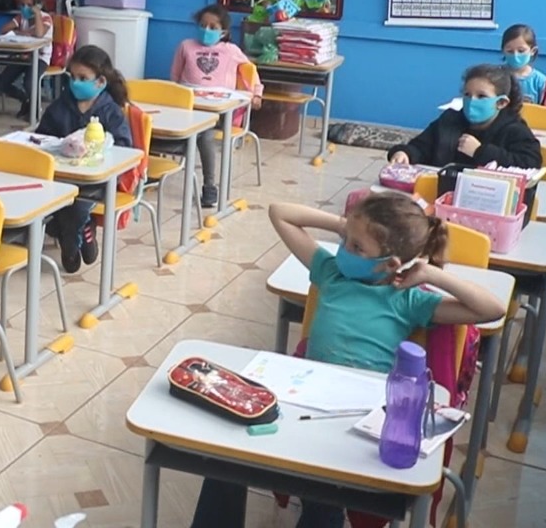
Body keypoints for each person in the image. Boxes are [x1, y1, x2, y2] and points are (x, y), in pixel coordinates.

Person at [189, 195, 505, 528]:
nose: (344, 250)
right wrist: (345, 225)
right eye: (345, 241)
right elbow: (279, 211)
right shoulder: (331, 273)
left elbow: (491, 310)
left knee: (325, 498)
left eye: (357, 247)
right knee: (223, 460)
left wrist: (432, 275)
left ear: (391, 263)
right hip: (302, 406)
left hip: (355, 422)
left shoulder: (407, 299)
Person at [35, 45, 132, 273]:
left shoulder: (111, 111)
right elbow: (41, 136)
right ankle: (77, 231)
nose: (75, 83)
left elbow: (125, 146)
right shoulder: (61, 106)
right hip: (60, 174)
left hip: (95, 181)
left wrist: (98, 148)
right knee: (50, 204)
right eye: (72, 77)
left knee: (74, 206)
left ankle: (70, 243)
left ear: (100, 82)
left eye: (83, 78)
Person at [169, 4, 263, 207]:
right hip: (190, 108)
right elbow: (175, 78)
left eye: (213, 27)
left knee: (206, 134)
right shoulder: (186, 46)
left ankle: (209, 185)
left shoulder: (231, 50)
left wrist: (257, 94)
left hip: (219, 113)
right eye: (202, 25)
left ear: (223, 32)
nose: (206, 30)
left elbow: (250, 71)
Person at [388, 64, 542, 169]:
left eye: (481, 96)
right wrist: (405, 153)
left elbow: (530, 164)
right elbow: (421, 146)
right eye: (467, 95)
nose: (472, 101)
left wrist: (480, 151)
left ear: (501, 102)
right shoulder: (449, 120)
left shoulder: (514, 130)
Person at [0, 0, 54, 120]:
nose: (25, 8)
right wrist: (22, 31)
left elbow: (39, 34)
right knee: (2, 82)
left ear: (37, 5)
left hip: (40, 58)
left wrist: (37, 14)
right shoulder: (21, 17)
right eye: (22, 4)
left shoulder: (45, 18)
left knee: (29, 82)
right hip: (24, 56)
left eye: (29, 5)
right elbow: (4, 30)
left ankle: (35, 111)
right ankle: (26, 100)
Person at [500, 24, 546, 105]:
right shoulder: (495, 76)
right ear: (503, 51)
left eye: (521, 50)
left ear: (533, 51)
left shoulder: (541, 82)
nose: (515, 55)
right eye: (510, 51)